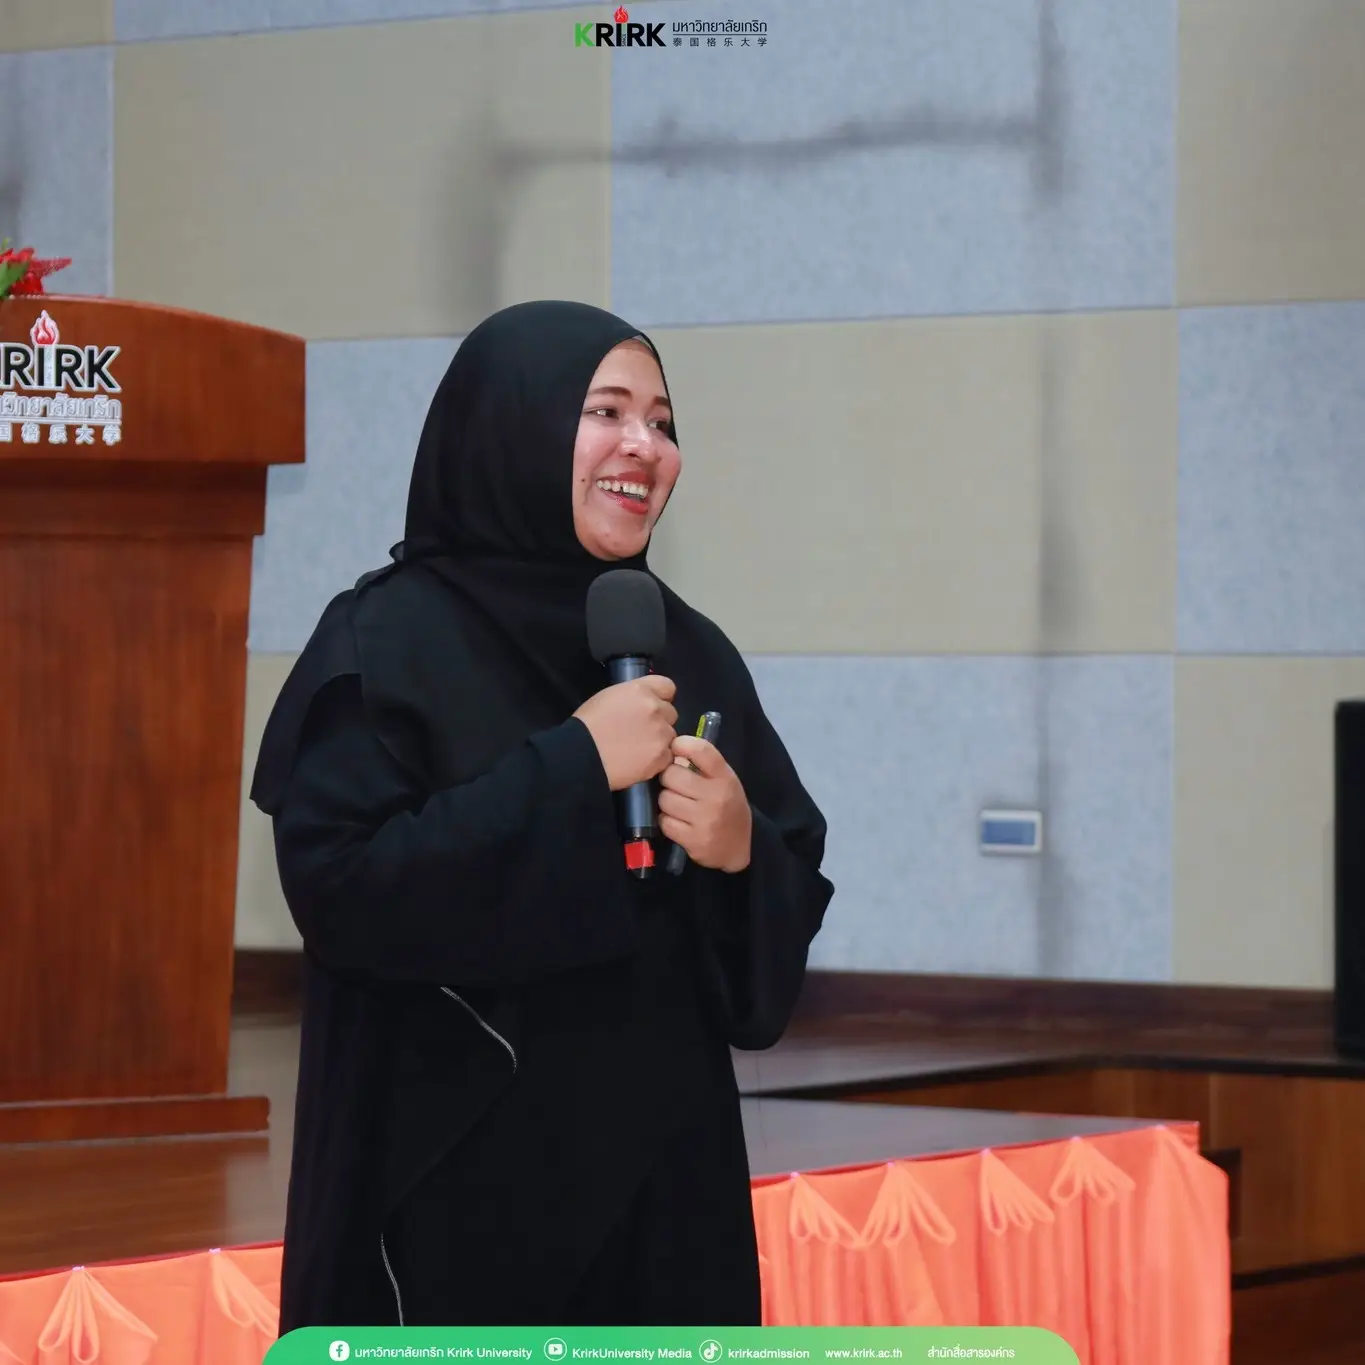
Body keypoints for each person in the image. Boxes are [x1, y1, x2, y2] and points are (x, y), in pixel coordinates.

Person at [249, 299, 833, 1331]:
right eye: (606, 411)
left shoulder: (686, 647)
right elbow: (346, 892)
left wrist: (742, 853)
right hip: (447, 1200)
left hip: (665, 1201)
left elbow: (763, 969)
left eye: (662, 421)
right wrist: (572, 767)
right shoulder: (385, 641)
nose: (644, 446)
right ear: (508, 425)